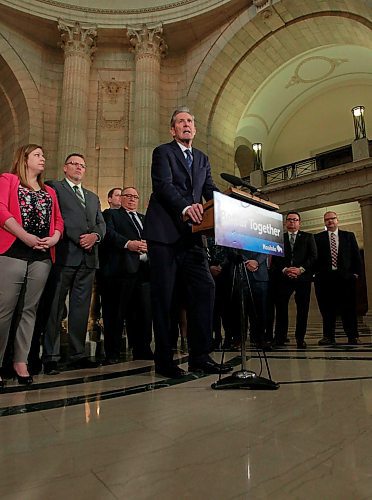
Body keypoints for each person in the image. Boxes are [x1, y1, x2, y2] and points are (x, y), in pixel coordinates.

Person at [143, 107, 232, 378]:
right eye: (181, 122)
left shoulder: (202, 158)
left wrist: (232, 203)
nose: (186, 125)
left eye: (190, 121)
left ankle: (200, 357)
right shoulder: (163, 153)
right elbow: (164, 186)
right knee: (165, 298)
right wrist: (185, 207)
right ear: (173, 130)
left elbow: (210, 190)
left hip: (192, 238)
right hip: (164, 236)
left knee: (205, 288)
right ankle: (165, 361)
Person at [0, 144, 63, 387]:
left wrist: (55, 238)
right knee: (5, 309)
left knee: (30, 309)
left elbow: (58, 221)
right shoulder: (9, 179)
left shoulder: (49, 191)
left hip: (42, 255)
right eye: (37, 155)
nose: (43, 158)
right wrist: (24, 236)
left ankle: (21, 361)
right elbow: (2, 210)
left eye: (44, 155)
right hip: (13, 249)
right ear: (24, 159)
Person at [42, 153, 106, 374]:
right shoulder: (55, 188)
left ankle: (78, 354)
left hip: (89, 259)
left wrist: (95, 237)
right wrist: (81, 237)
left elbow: (100, 223)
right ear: (65, 167)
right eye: (74, 164)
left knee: (81, 308)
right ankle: (50, 355)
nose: (79, 168)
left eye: (82, 165)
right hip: (65, 254)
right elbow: (58, 217)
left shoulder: (92, 197)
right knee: (55, 306)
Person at [99, 186, 152, 363]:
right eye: (128, 196)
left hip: (144, 272)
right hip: (119, 271)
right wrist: (129, 243)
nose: (132, 199)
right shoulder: (111, 215)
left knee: (142, 313)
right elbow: (108, 234)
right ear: (120, 199)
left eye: (135, 197)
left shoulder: (144, 219)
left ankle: (142, 349)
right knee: (115, 313)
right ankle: (113, 352)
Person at [270, 211, 317, 349]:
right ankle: (280, 337)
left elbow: (313, 257)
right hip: (283, 278)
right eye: (289, 220)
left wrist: (300, 269)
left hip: (302, 278)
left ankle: (300, 338)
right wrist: (285, 270)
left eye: (295, 220)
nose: (292, 222)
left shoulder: (308, 237)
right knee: (281, 309)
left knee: (303, 309)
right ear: (285, 223)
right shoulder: (279, 238)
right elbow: (275, 258)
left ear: (299, 223)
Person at [314, 211, 362, 345]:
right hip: (325, 279)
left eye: (332, 218)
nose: (330, 221)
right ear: (324, 222)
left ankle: (353, 336)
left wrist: (356, 274)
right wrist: (315, 275)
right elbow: (314, 258)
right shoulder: (317, 238)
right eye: (327, 219)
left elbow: (356, 256)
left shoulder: (348, 236)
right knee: (327, 309)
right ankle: (328, 336)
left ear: (337, 220)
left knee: (349, 309)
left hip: (346, 278)